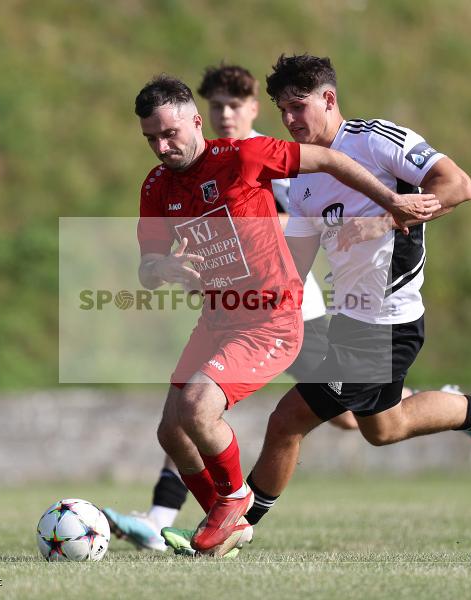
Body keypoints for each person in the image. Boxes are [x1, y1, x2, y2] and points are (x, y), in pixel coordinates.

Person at [163, 54, 471, 548]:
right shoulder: (300, 178)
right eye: (281, 110)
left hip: (389, 321)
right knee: (384, 427)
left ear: (329, 99)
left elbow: (459, 186)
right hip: (352, 319)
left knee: (286, 422)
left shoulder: (376, 140)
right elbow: (295, 262)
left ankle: (233, 530)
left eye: (297, 106)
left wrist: (384, 219)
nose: (288, 120)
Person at [127, 74, 438, 557]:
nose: (162, 146)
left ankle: (234, 503)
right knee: (171, 429)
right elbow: (147, 268)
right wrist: (164, 266)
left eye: (170, 134)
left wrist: (393, 202)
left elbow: (331, 159)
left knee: (200, 409)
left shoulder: (241, 158)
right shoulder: (156, 187)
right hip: (217, 317)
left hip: (269, 317)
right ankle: (224, 523)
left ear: (195, 121)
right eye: (152, 138)